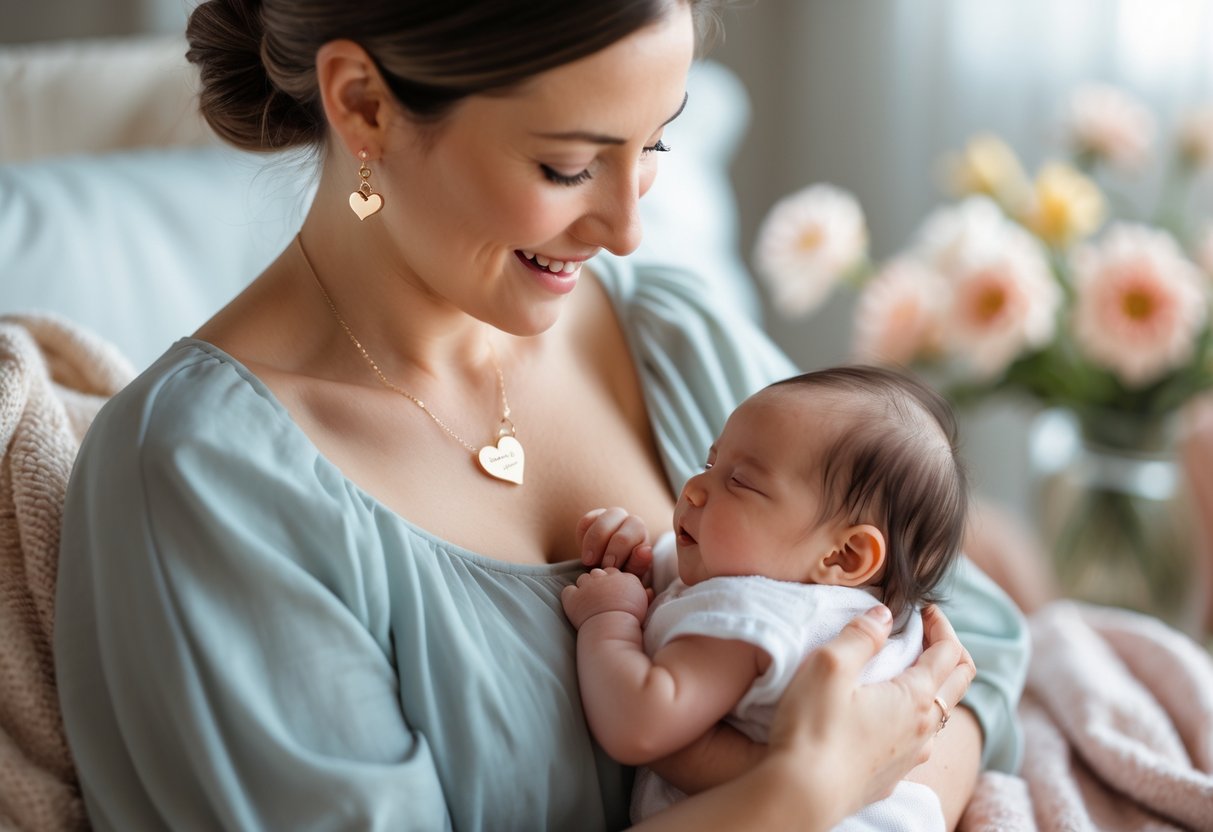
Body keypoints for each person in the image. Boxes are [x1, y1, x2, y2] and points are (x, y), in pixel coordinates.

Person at [52, 1, 1028, 829]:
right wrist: (793, 796)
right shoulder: (205, 476)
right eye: (568, 167)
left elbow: (972, 634)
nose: (626, 227)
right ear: (362, 105)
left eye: (654, 146)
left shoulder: (662, 328)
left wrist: (883, 802)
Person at [563, 366, 968, 828]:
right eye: (710, 464)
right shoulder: (879, 615)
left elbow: (638, 723)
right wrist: (638, 552)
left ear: (846, 555)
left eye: (741, 483)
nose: (694, 489)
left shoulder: (753, 616)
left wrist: (610, 616)